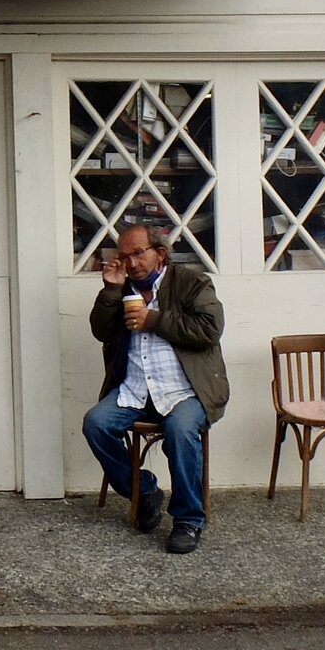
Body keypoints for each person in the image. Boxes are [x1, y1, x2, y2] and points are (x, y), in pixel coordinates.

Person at [83, 222, 228, 554]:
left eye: (138, 254)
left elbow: (210, 329)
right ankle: (144, 491)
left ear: (160, 254)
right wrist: (110, 291)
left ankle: (188, 520)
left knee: (180, 429)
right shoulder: (122, 289)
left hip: (186, 391)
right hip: (135, 391)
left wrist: (153, 320)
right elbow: (101, 332)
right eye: (124, 256)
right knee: (96, 424)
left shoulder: (191, 283)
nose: (131, 263)